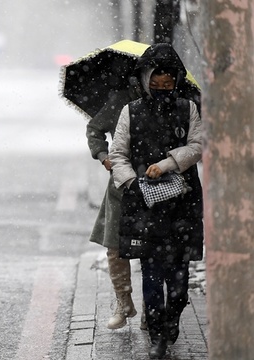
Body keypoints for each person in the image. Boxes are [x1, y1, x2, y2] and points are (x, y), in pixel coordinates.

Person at [109, 43, 203, 359]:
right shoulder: (130, 111)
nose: (162, 89)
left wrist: (166, 164)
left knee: (178, 273)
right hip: (143, 203)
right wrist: (131, 180)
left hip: (182, 202)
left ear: (176, 82)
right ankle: (157, 333)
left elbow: (197, 147)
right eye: (156, 83)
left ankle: (173, 315)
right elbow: (118, 153)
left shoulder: (187, 108)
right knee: (150, 271)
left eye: (168, 84)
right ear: (146, 80)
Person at [86, 84, 146, 330]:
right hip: (120, 184)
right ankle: (123, 302)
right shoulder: (119, 100)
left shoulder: (169, 102)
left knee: (150, 247)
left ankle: (151, 308)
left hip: (154, 181)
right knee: (115, 245)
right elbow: (94, 129)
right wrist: (103, 156)